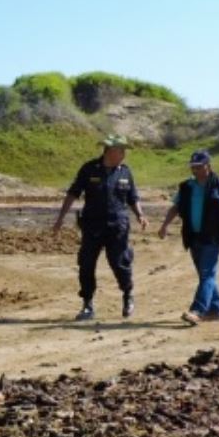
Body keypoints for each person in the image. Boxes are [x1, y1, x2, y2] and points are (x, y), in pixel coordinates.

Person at [53, 134, 145, 320]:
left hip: (117, 225)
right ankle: (87, 304)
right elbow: (73, 193)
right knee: (86, 263)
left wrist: (140, 215)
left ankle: (128, 294)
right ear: (110, 151)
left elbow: (132, 198)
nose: (124, 154)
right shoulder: (89, 169)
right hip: (92, 225)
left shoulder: (125, 172)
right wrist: (61, 218)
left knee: (119, 262)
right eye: (121, 150)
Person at [157, 149, 219, 324]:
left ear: (208, 166)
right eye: (193, 167)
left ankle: (198, 310)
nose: (195, 170)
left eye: (198, 166)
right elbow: (176, 207)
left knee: (207, 274)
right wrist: (165, 225)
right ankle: (215, 310)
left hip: (214, 237)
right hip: (193, 236)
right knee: (206, 276)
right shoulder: (187, 186)